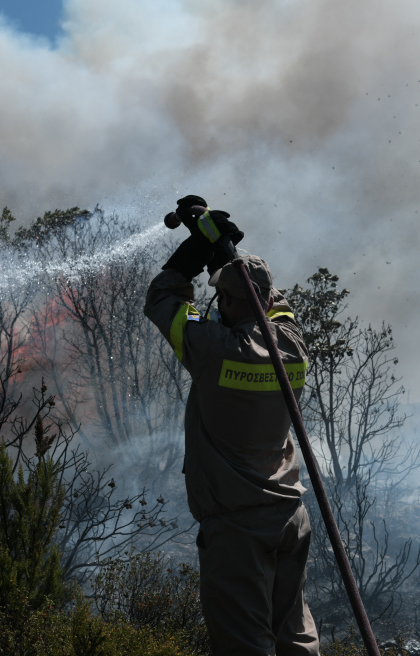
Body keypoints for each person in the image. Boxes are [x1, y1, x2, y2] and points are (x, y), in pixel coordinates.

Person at [143, 195, 320, 656]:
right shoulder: (292, 346)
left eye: (221, 296)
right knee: (294, 637)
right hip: (289, 516)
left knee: (245, 644)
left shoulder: (214, 349)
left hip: (238, 526)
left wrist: (194, 251)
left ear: (227, 300)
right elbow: (271, 304)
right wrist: (225, 254)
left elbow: (162, 298)